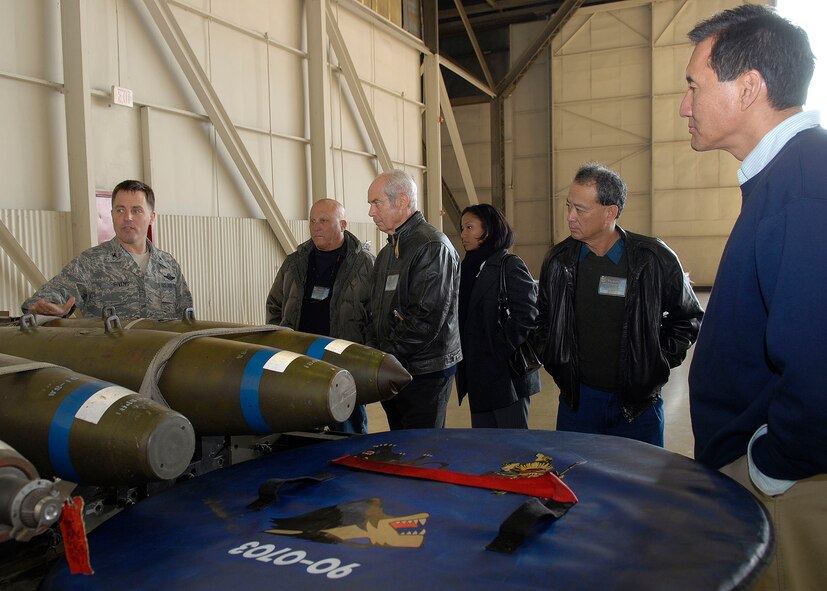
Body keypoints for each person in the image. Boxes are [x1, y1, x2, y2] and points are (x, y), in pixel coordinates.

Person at [681, 6, 826, 590]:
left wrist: (770, 465)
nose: (684, 106)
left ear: (748, 88)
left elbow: (818, 368)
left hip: (785, 485)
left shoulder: (803, 188)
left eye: (694, 86)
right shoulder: (788, 177)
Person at [534, 163, 703, 446]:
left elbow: (688, 318)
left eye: (580, 209)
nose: (570, 217)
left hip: (638, 406)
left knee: (639, 473)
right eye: (568, 206)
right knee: (576, 471)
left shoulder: (654, 259)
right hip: (578, 403)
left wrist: (655, 362)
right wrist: (554, 357)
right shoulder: (558, 261)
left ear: (610, 212)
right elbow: (542, 319)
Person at [266, 198, 374, 434]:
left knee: (348, 432)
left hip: (345, 363)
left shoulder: (365, 265)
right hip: (301, 362)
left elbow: (375, 315)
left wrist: (365, 355)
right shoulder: (294, 262)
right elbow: (274, 305)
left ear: (343, 224)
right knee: (302, 430)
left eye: (324, 221)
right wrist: (281, 341)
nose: (316, 227)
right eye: (312, 221)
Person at [366, 169, 462, 430]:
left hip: (424, 373)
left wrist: (385, 357)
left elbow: (424, 320)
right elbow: (374, 309)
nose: (371, 212)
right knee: (400, 443)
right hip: (395, 368)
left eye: (377, 203)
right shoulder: (388, 252)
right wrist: (375, 352)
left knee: (420, 447)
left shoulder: (432, 247)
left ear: (402, 201)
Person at [22, 179, 192, 320]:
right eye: (120, 210)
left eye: (136, 210)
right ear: (112, 215)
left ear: (151, 217)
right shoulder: (92, 262)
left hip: (162, 351)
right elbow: (45, 298)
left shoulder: (168, 266)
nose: (127, 217)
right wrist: (51, 308)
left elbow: (186, 319)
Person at [456, 204, 540, 428]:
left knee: (512, 442)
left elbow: (527, 315)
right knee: (484, 442)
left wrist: (497, 350)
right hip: (477, 374)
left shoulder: (509, 265)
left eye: (470, 227)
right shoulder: (468, 269)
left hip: (505, 373)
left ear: (489, 229)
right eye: (462, 228)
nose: (463, 234)